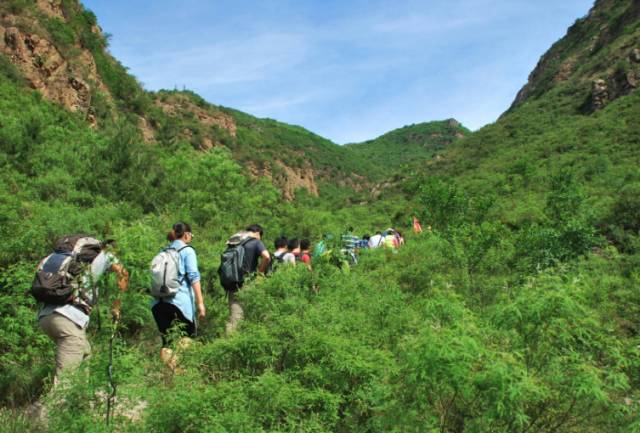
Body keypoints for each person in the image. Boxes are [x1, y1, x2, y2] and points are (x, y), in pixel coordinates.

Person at [37, 237, 129, 386]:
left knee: (85, 352)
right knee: (65, 383)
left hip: (46, 317)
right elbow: (123, 273)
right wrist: (116, 306)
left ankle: (81, 403)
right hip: (69, 318)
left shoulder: (63, 259)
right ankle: (57, 406)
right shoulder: (106, 255)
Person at [151, 222, 205, 365]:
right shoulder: (187, 251)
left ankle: (169, 378)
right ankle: (182, 376)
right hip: (179, 303)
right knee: (186, 338)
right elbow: (194, 277)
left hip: (158, 303)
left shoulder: (162, 252)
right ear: (186, 235)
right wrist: (200, 303)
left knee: (167, 342)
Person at [224, 224, 270, 334]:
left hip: (233, 284)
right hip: (249, 283)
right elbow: (267, 256)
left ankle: (229, 345)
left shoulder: (234, 242)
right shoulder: (256, 242)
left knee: (235, 319)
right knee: (260, 315)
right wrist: (260, 272)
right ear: (258, 233)